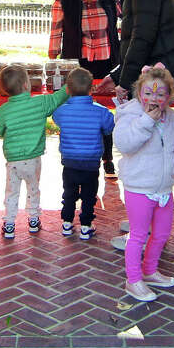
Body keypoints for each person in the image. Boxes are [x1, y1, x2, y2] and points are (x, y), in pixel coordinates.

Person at [113, 64, 174, 302]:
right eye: (148, 93)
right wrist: (146, 121)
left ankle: (149, 271)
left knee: (161, 234)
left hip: (164, 188)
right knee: (138, 236)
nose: (153, 98)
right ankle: (133, 280)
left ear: (169, 96)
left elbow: (172, 147)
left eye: (160, 94)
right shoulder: (129, 115)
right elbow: (126, 145)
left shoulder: (171, 117)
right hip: (139, 188)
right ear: (139, 92)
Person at [48, 0, 121, 177]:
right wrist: (52, 59)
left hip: (107, 63)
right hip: (77, 66)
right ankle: (75, 157)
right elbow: (56, 30)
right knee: (78, 111)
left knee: (106, 109)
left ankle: (107, 157)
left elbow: (125, 20)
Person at [0, 64, 69, 239]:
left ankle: (9, 224)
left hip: (13, 162)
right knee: (33, 189)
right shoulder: (39, 103)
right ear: (26, 84)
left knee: (11, 192)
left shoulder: (2, 112)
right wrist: (69, 85)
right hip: (33, 160)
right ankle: (34, 220)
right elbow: (57, 98)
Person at [51, 67, 115, 240]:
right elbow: (109, 128)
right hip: (91, 162)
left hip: (70, 162)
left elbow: (56, 119)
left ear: (68, 89)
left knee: (69, 193)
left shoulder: (62, 111)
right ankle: (86, 225)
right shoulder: (101, 111)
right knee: (89, 195)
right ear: (91, 88)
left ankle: (67, 223)